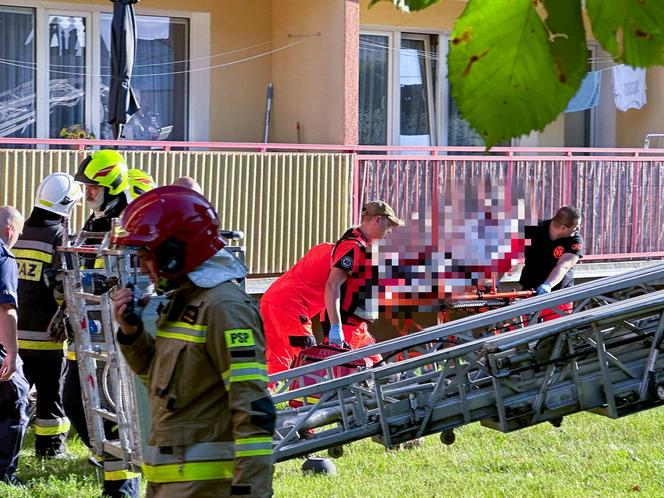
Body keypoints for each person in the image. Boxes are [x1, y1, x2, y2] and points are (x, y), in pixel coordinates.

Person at [111, 186, 275, 498]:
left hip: (206, 488)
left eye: (147, 256)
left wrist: (250, 491)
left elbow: (253, 408)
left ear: (175, 250)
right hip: (171, 484)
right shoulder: (184, 303)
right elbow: (162, 385)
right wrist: (132, 335)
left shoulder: (224, 308)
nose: (144, 268)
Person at [65, 150, 141, 498]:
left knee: (115, 410)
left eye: (92, 187)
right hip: (89, 327)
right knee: (77, 403)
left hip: (115, 331)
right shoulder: (96, 220)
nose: (88, 193)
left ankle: (123, 485)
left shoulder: (128, 218)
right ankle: (114, 474)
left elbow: (126, 270)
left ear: (110, 184)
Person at [13, 173, 82, 458]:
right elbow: (64, 289)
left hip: (13, 336)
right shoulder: (58, 237)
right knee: (51, 397)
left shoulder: (17, 232)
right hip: (47, 338)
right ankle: (51, 450)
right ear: (66, 204)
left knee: (12, 400)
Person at [323, 201, 403, 362]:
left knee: (382, 375)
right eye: (389, 224)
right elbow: (332, 285)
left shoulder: (365, 246)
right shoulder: (353, 246)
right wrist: (336, 327)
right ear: (378, 220)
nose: (389, 230)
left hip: (359, 327)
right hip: (346, 325)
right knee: (345, 379)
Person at [260, 242, 334, 375]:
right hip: (290, 306)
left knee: (276, 360)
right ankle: (311, 395)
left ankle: (273, 394)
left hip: (271, 299)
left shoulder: (325, 249)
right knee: (309, 361)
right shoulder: (346, 261)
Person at [0, 206, 29, 486]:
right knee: (15, 397)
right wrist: (11, 353)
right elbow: (6, 309)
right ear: (11, 230)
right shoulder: (3, 256)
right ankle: (4, 475)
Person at [519, 205, 583, 320]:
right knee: (517, 333)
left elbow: (564, 265)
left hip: (560, 296)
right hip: (529, 292)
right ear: (563, 227)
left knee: (556, 335)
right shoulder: (534, 230)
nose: (577, 230)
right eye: (576, 227)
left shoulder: (575, 239)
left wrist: (548, 285)